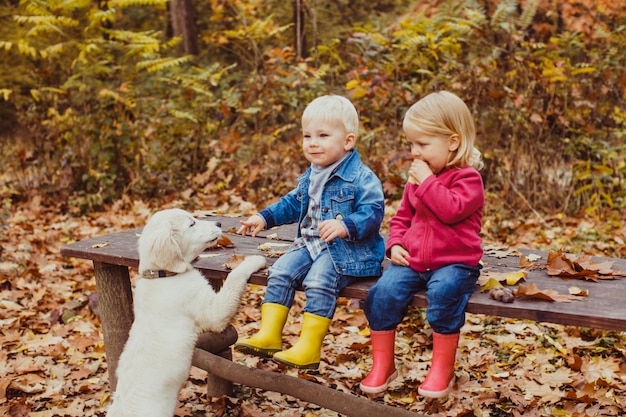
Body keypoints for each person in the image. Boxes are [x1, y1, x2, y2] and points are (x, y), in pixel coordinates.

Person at [234, 94, 386, 369]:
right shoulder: (313, 172)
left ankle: (309, 347)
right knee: (280, 271)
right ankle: (269, 335)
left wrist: (345, 225)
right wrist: (264, 217)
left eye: (323, 135)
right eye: (307, 136)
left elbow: (373, 213)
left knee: (318, 281)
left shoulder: (362, 177)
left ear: (348, 141)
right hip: (311, 243)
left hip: (348, 250)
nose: (313, 143)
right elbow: (293, 203)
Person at [360, 91, 484, 398]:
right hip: (414, 261)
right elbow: (402, 217)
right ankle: (383, 365)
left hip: (456, 263)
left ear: (452, 142)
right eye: (411, 144)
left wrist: (427, 181)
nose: (415, 152)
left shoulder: (468, 180)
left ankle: (442, 369)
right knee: (382, 294)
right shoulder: (417, 179)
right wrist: (396, 245)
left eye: (423, 145)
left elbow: (451, 209)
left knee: (443, 295)